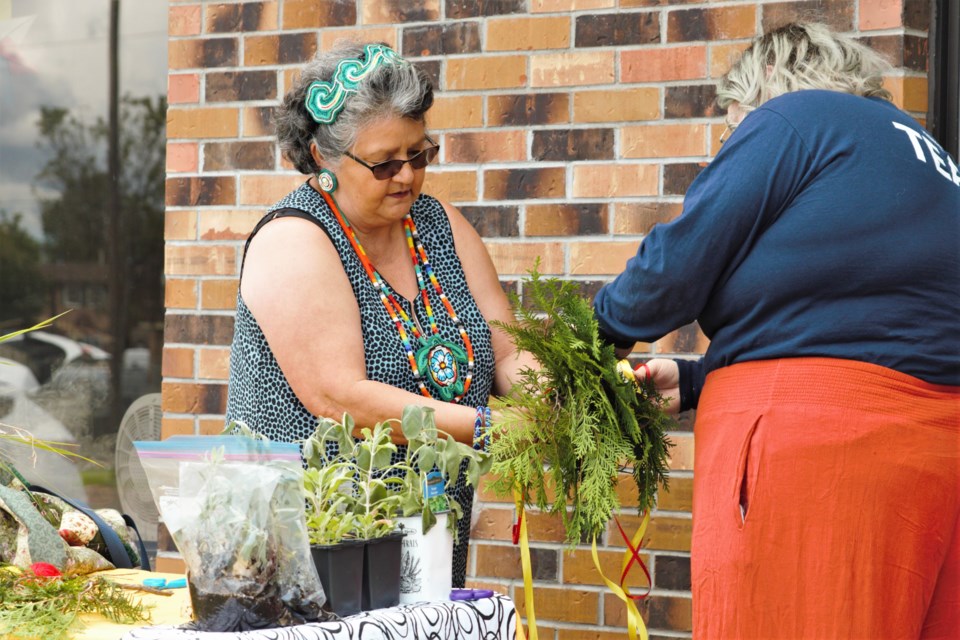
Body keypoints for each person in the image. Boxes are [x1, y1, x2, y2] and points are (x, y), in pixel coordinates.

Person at [593, 22, 959, 639]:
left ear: (766, 84)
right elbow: (864, 321)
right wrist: (695, 380)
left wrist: (590, 342)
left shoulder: (795, 117)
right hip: (936, 463)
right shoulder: (931, 155)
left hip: (819, 459)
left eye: (734, 126)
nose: (732, 142)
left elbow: (676, 266)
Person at [224, 41, 533, 587]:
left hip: (428, 536)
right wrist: (486, 429)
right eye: (385, 163)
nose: (408, 176)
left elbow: (505, 349)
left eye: (419, 154)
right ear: (325, 159)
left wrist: (556, 399)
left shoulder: (437, 225)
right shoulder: (295, 238)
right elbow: (337, 395)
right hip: (316, 546)